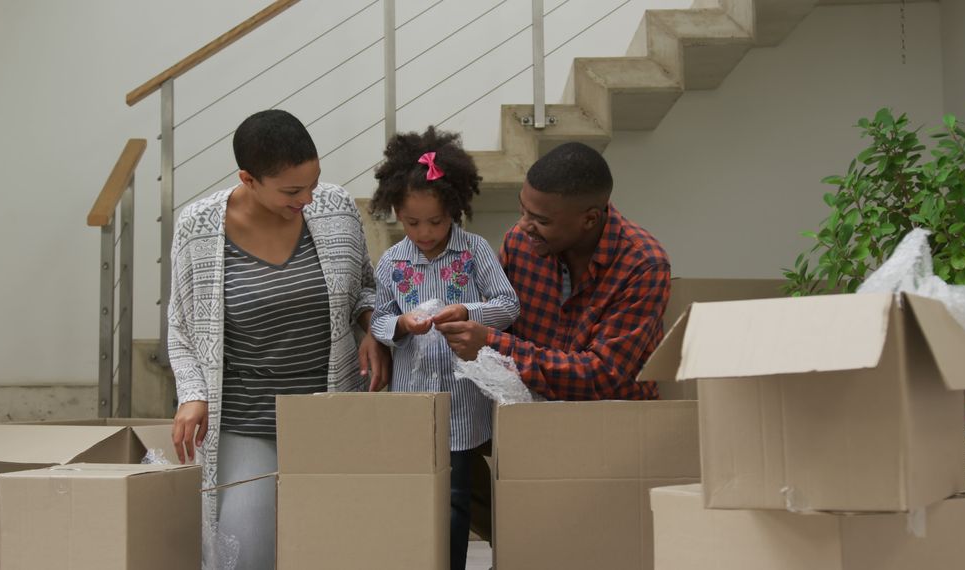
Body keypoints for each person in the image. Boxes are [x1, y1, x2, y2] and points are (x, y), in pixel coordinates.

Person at [168, 109, 390, 569]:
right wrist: (192, 395)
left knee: (335, 547)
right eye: (292, 191)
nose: (308, 198)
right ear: (248, 179)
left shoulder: (336, 207)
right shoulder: (198, 227)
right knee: (246, 552)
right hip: (247, 419)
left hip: (331, 411)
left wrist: (371, 325)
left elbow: (365, 287)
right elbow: (182, 326)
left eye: (313, 183)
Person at [368, 126, 520, 570]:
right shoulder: (392, 261)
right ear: (395, 211)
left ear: (454, 210)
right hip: (411, 400)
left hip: (462, 402)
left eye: (436, 221)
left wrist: (466, 311)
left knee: (455, 498)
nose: (425, 232)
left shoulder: (474, 253)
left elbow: (507, 304)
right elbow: (377, 318)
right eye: (412, 222)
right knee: (414, 493)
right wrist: (399, 323)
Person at [438, 141, 671, 400]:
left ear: (590, 219)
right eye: (523, 210)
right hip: (534, 416)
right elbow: (498, 318)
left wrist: (492, 344)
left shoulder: (643, 265)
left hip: (615, 422)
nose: (524, 225)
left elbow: (602, 375)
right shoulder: (519, 242)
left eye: (541, 220)